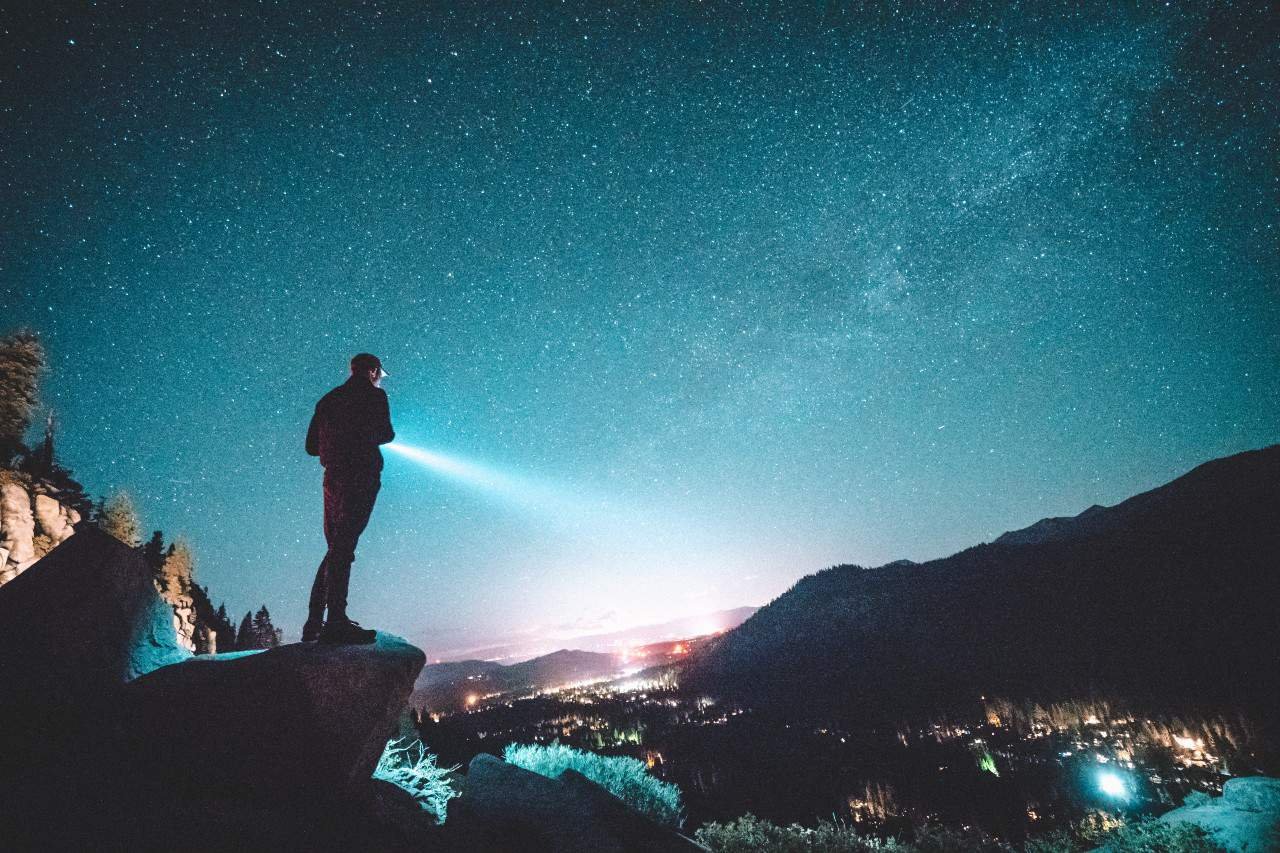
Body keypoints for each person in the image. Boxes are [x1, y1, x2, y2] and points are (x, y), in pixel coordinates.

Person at [303, 353, 394, 644]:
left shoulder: (328, 400)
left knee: (336, 547)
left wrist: (336, 442)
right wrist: (360, 437)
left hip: (333, 478)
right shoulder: (374, 396)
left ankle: (315, 622)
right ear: (373, 371)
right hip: (361, 473)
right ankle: (336, 622)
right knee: (344, 546)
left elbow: (311, 447)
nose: (379, 379)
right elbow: (387, 434)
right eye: (379, 374)